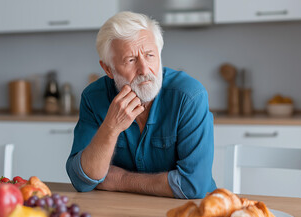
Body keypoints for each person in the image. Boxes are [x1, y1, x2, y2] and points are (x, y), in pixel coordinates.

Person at [66, 11, 216, 199]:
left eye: (150, 55)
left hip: (189, 213)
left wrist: (119, 180)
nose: (144, 70)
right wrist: (110, 128)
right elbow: (82, 180)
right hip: (120, 213)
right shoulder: (93, 97)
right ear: (108, 69)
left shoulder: (189, 96)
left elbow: (194, 185)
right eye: (131, 60)